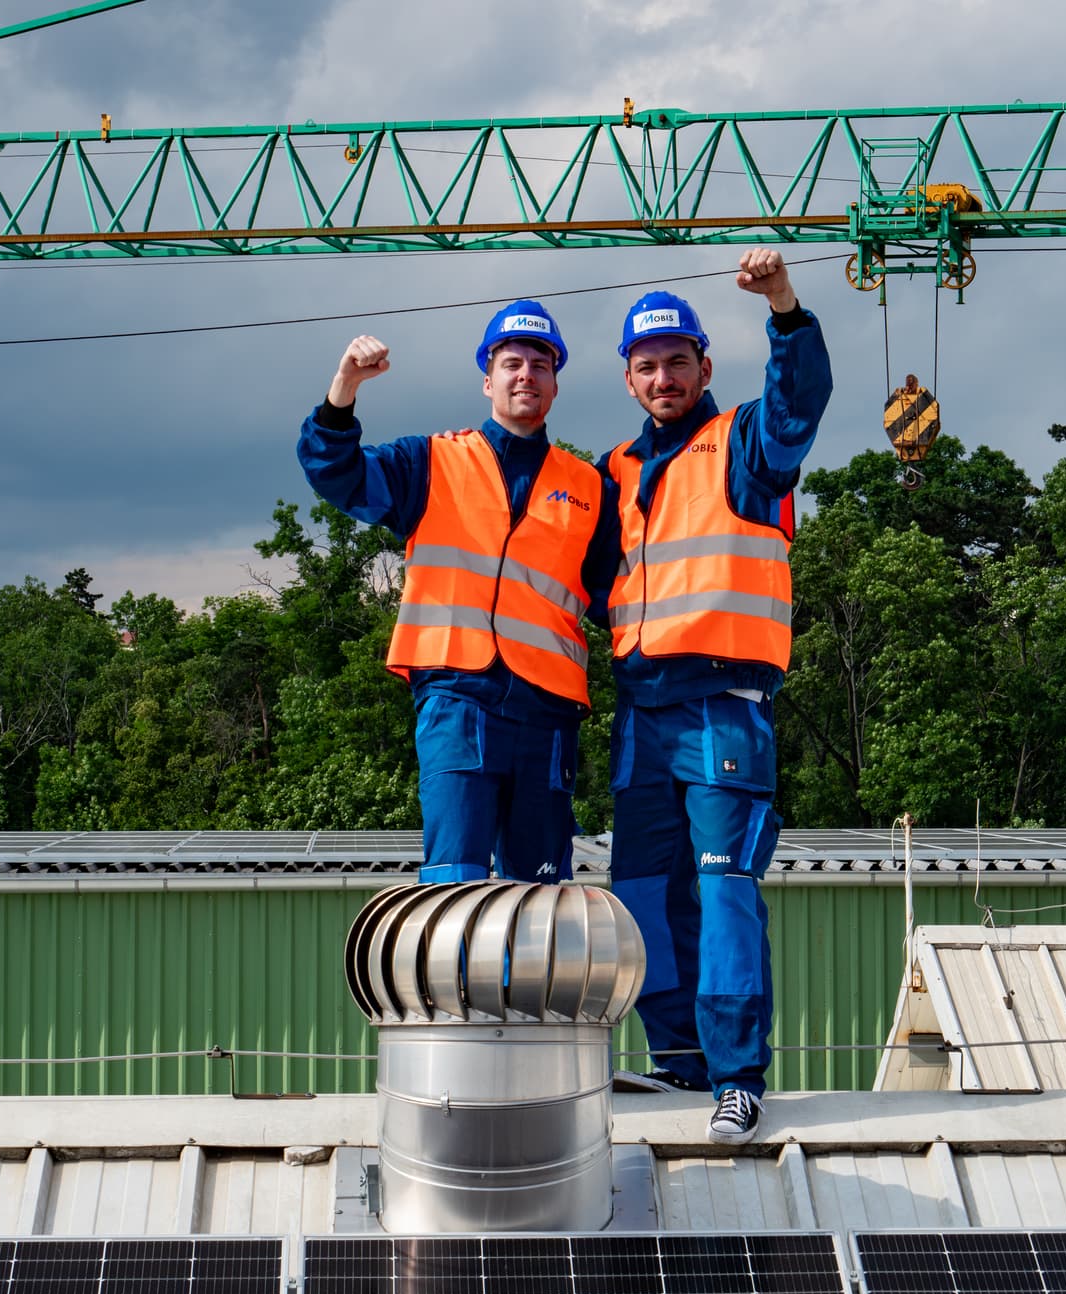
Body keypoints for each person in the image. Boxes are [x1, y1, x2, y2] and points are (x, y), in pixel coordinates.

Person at [600, 249, 831, 1144]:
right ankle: (678, 1062)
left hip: (723, 703)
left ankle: (738, 1074)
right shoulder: (614, 471)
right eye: (647, 364)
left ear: (705, 366)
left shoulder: (743, 443)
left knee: (723, 887)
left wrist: (783, 307)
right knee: (645, 891)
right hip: (642, 711)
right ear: (629, 377)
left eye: (678, 360)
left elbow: (799, 403)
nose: (663, 377)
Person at [297, 300, 618, 884]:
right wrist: (344, 387)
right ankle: (455, 982)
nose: (527, 375)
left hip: (546, 709)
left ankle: (529, 981)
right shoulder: (431, 461)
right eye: (513, 362)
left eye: (541, 365)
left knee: (540, 890)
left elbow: (618, 596)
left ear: (555, 382)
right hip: (456, 694)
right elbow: (335, 473)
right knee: (455, 878)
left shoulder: (589, 486)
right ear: (487, 378)